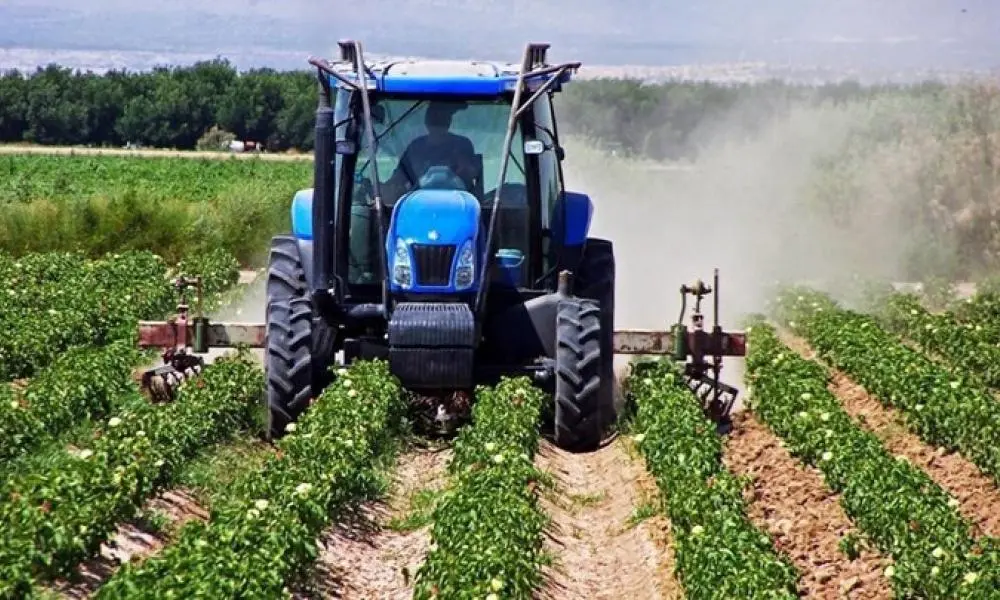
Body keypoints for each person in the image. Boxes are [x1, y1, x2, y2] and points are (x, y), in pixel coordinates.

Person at [382, 102, 477, 203]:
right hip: (416, 206)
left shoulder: (462, 145)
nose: (438, 120)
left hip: (459, 204)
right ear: (427, 120)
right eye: (435, 117)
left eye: (442, 118)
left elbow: (471, 173)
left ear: (448, 121)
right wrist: (381, 190)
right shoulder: (415, 147)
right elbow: (398, 179)